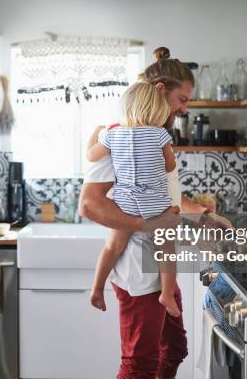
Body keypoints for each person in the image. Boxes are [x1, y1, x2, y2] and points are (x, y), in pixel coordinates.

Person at [79, 46, 232, 379]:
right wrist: (147, 222)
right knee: (139, 364)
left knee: (175, 350)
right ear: (161, 91)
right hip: (138, 271)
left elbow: (166, 194)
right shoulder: (119, 136)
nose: (184, 108)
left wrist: (203, 215)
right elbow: (90, 205)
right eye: (183, 99)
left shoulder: (155, 134)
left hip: (161, 267)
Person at [86, 82, 181, 317]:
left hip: (126, 202)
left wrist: (94, 135)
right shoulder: (160, 134)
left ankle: (97, 289)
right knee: (166, 249)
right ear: (158, 110)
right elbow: (170, 165)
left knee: (112, 247)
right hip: (156, 204)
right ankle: (167, 294)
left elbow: (90, 155)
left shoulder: (111, 134)